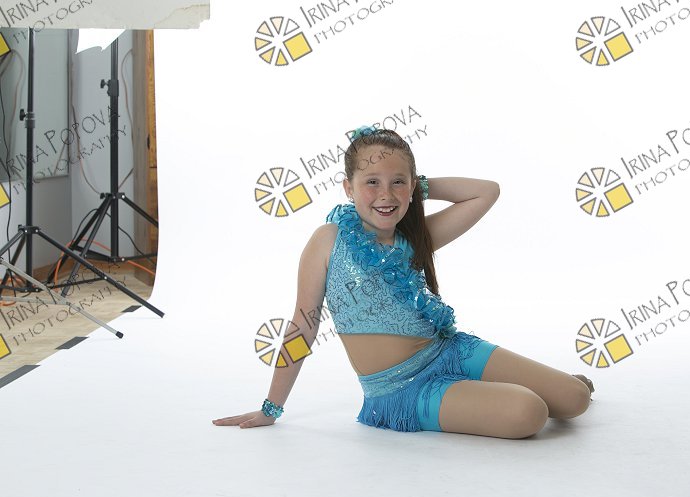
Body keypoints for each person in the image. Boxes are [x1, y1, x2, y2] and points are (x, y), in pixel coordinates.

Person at [213, 127, 594, 439]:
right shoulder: (328, 240)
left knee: (575, 398)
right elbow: (302, 326)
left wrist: (418, 187)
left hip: (448, 351)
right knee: (528, 412)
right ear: (348, 188)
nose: (386, 194)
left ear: (412, 187)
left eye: (398, 183)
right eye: (372, 182)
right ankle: (510, 395)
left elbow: (486, 191)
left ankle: (551, 386)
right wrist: (272, 407)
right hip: (401, 389)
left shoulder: (414, 239)